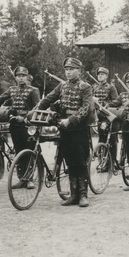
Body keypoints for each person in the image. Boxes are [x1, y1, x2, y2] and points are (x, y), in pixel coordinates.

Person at [36, 56, 95, 207]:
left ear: (79, 71)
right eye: (66, 70)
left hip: (79, 129)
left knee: (80, 162)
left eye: (71, 70)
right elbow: (48, 99)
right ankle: (73, 195)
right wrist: (35, 111)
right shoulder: (62, 86)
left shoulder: (86, 87)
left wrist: (71, 120)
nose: (68, 73)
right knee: (69, 161)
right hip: (64, 129)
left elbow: (86, 108)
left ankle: (83, 195)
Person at [0, 66, 41, 188]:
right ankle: (21, 178)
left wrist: (25, 117)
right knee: (18, 150)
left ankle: (29, 178)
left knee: (29, 150)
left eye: (23, 76)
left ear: (27, 77)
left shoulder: (33, 90)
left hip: (29, 125)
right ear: (16, 78)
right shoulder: (12, 90)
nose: (21, 78)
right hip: (15, 124)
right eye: (18, 76)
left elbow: (37, 108)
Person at [91, 67, 120, 171]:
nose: (100, 76)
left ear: (106, 76)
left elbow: (116, 101)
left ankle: (112, 164)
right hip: (100, 117)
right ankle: (102, 163)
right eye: (99, 74)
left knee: (112, 140)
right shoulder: (94, 87)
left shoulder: (111, 87)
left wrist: (106, 104)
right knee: (101, 140)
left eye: (102, 74)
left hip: (110, 117)